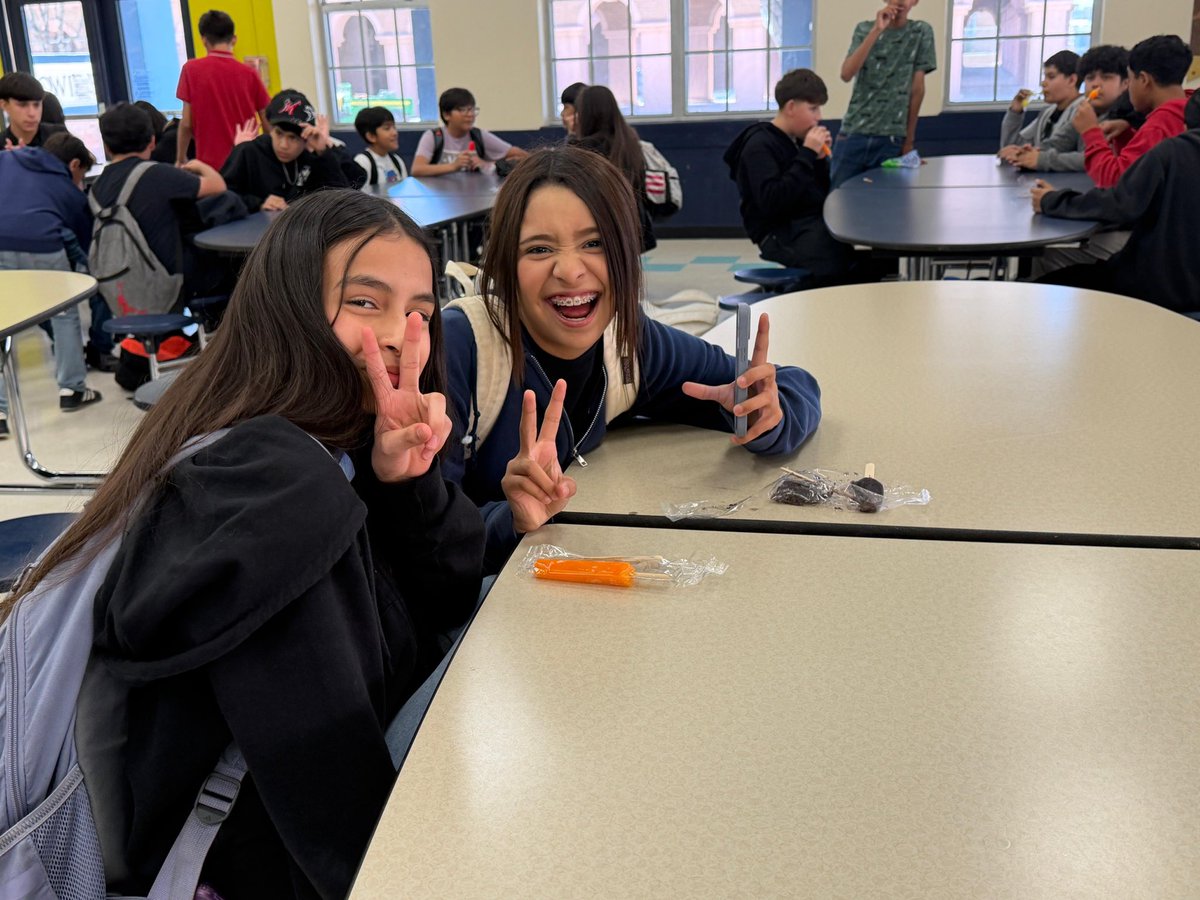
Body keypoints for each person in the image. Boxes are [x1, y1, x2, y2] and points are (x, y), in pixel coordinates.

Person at [5, 190, 484, 897]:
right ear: (289, 310)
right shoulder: (273, 486)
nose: (398, 335)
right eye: (364, 302)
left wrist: (405, 483)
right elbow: (328, 802)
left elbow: (449, 594)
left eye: (419, 312)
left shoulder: (307, 440)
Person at [442, 146, 822, 572]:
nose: (569, 270)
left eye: (594, 243)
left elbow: (794, 385)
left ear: (627, 252)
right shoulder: (461, 348)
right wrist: (508, 521)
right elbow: (422, 539)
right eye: (539, 249)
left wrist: (766, 414)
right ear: (504, 264)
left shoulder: (627, 344)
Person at [1029, 90, 1200, 317]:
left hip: (1158, 291)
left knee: (1041, 287)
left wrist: (1052, 200)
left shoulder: (1171, 152)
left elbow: (1121, 203)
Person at [725, 68, 887, 287]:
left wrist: (818, 160)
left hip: (807, 225)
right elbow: (772, 201)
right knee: (837, 268)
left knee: (870, 261)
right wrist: (808, 154)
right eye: (813, 109)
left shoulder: (797, 141)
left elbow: (816, 193)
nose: (818, 117)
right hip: (778, 233)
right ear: (791, 107)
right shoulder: (759, 146)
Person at [0, 133, 102, 433]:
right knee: (64, 313)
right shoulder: (66, 188)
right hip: (43, 246)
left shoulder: (8, 158)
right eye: (81, 176)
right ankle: (72, 389)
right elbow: (86, 240)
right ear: (74, 165)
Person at [92, 103, 227, 305]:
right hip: (166, 281)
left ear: (107, 147)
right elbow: (218, 186)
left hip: (117, 284)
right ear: (152, 141)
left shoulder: (97, 186)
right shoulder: (159, 174)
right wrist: (198, 165)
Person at [832, 0, 936, 188]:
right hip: (854, 132)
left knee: (885, 202)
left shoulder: (920, 32)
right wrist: (877, 30)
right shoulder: (864, 29)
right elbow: (846, 74)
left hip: (892, 138)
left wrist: (908, 142)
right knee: (838, 198)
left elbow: (917, 90)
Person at [1072, 33, 1193, 188]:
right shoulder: (1188, 110)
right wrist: (1127, 135)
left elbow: (1119, 183)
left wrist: (1090, 132)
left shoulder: (1159, 126)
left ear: (1143, 80)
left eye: (1130, 80)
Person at [221, 89, 352, 212]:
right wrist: (258, 203)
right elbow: (222, 195)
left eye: (292, 138)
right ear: (271, 130)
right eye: (279, 133)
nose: (283, 145)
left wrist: (323, 151)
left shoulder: (312, 157)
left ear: (305, 139)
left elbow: (342, 200)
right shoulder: (248, 151)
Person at [175, 8, 271, 169]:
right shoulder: (249, 74)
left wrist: (181, 158)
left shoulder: (191, 70)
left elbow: (186, 123)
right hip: (247, 161)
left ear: (204, 40)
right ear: (234, 39)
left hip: (210, 166)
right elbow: (266, 120)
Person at [572, 84, 655, 252]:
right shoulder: (630, 141)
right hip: (631, 223)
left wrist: (571, 136)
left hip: (599, 225)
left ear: (586, 114)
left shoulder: (584, 148)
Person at [999, 50, 1085, 171]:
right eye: (1045, 77)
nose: (1043, 83)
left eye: (1051, 77)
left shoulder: (1084, 111)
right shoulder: (1047, 113)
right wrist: (1015, 112)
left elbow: (1086, 159)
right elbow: (1012, 147)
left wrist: (1039, 158)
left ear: (1072, 80)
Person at [410, 87, 528, 176]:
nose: (470, 115)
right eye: (463, 110)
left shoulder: (478, 135)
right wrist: (453, 166)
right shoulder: (433, 137)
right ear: (446, 115)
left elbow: (521, 155)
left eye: (472, 109)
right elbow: (417, 169)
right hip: (440, 196)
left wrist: (488, 165)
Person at [0, 72, 66, 149]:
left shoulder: (60, 137)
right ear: (4, 105)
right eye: (22, 105)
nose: (32, 113)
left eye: (36, 105)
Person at [354, 106, 407, 190]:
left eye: (394, 127)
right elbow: (358, 195)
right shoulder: (363, 162)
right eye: (387, 128)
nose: (394, 133)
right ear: (371, 136)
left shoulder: (397, 160)